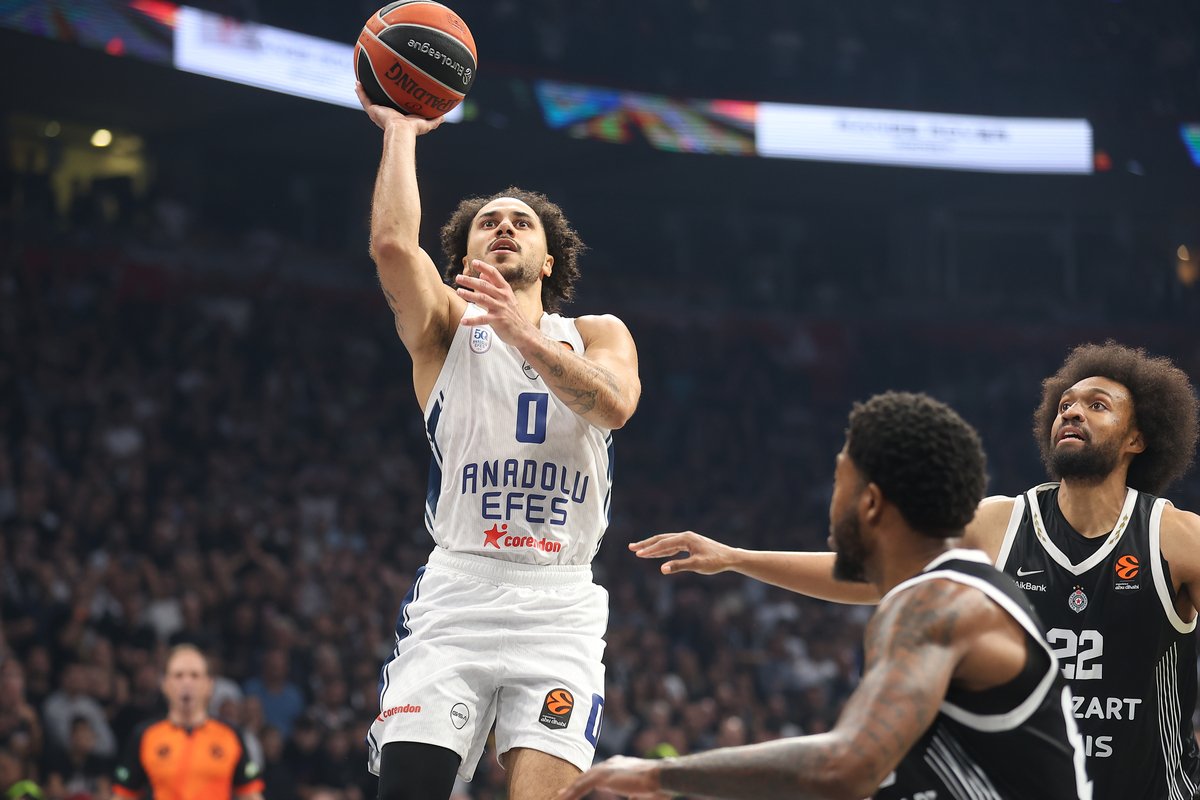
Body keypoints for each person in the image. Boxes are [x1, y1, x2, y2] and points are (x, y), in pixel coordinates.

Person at [633, 341, 1199, 800]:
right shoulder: (998, 524)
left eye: (1096, 405)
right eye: (1066, 404)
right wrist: (737, 558)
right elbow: (876, 573)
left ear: (1137, 439)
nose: (1071, 411)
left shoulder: (1175, 538)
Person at [564, 392, 1091, 800]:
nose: (828, 499)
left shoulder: (935, 604)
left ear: (871, 502)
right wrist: (736, 557)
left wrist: (657, 773)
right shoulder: (944, 590)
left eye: (838, 479)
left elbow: (845, 767)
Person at [354, 84, 641, 800]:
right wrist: (400, 130)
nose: (503, 227)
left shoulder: (598, 332)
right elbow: (391, 244)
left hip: (559, 604)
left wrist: (522, 331)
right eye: (487, 223)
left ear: (548, 261)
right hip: (461, 591)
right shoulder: (445, 330)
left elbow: (613, 407)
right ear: (466, 251)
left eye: (521, 223)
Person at [113, 644, 264, 800]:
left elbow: (250, 794)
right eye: (178, 675)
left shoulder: (231, 735)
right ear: (165, 684)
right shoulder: (145, 735)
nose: (187, 683)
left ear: (209, 684)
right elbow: (124, 795)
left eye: (195, 675)